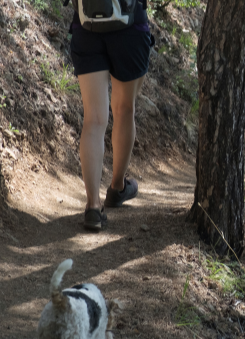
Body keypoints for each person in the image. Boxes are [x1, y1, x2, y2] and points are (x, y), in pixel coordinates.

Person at [69, 0, 153, 231]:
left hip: (87, 26)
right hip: (130, 27)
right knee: (125, 109)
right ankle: (117, 187)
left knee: (94, 119)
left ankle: (93, 207)